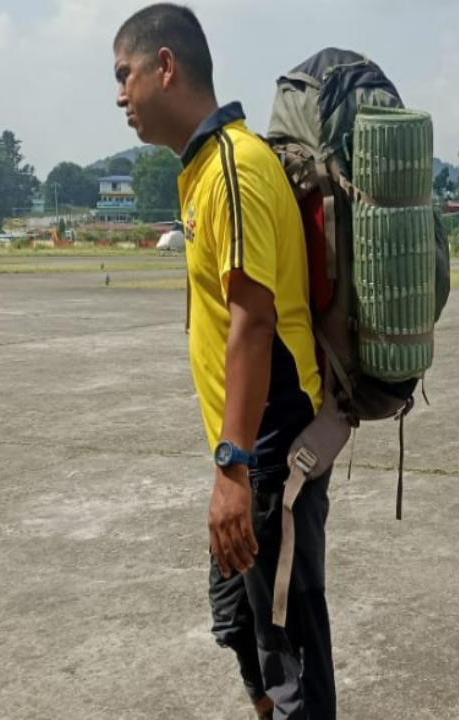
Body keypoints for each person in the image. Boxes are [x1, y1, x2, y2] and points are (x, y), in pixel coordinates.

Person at [113, 5, 334, 718]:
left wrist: (234, 470)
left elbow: (253, 320)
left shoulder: (235, 167)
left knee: (289, 651)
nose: (120, 95)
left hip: (270, 442)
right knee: (242, 632)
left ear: (166, 67)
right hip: (243, 449)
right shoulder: (205, 169)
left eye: (126, 75)